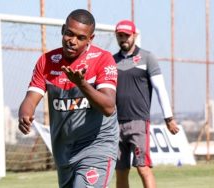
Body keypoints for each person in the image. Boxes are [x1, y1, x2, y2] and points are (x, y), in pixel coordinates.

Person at [18, 9, 119, 188]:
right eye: (69, 34)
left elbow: (108, 107)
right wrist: (25, 113)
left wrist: (82, 84)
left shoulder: (103, 59)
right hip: (63, 150)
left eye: (80, 37)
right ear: (63, 29)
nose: (72, 41)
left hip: (96, 147)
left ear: (90, 39)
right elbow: (31, 98)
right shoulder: (47, 61)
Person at [113, 20, 179, 188]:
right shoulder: (111, 61)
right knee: (120, 171)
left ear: (134, 36)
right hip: (114, 124)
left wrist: (168, 118)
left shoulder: (147, 58)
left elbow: (160, 89)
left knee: (143, 167)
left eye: (126, 36)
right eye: (120, 36)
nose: (123, 39)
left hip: (139, 122)